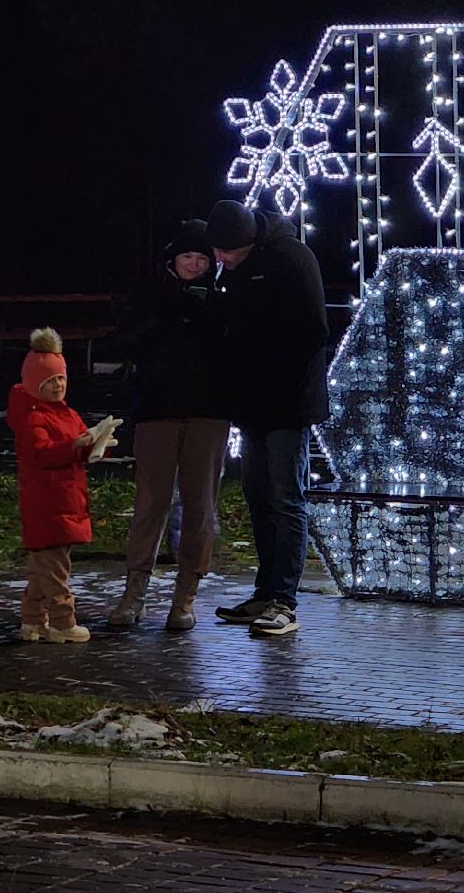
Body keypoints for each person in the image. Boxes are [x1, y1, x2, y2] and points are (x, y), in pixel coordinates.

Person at [206, 199, 328, 638]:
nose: (220, 259)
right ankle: (265, 590)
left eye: (227, 251)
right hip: (253, 405)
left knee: (285, 497)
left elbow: (313, 330)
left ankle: (284, 600)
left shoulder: (292, 258)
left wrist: (271, 370)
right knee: (259, 497)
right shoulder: (236, 270)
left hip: (287, 403)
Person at [107, 219, 229, 630]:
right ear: (172, 260)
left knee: (200, 506)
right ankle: (134, 592)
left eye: (201, 258)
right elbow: (126, 342)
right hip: (157, 408)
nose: (194, 265)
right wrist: (166, 317)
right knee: (151, 502)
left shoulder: (222, 299)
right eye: (186, 257)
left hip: (207, 411)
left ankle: (185, 598)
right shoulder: (149, 295)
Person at [7, 327, 116, 643]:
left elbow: (78, 441)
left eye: (61, 379)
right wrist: (73, 446)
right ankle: (62, 622)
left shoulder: (66, 413)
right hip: (47, 505)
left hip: (66, 501)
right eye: (50, 380)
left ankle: (32, 620)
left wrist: (98, 441)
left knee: (43, 570)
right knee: (55, 571)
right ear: (34, 384)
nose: (58, 385)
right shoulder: (32, 418)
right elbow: (41, 454)